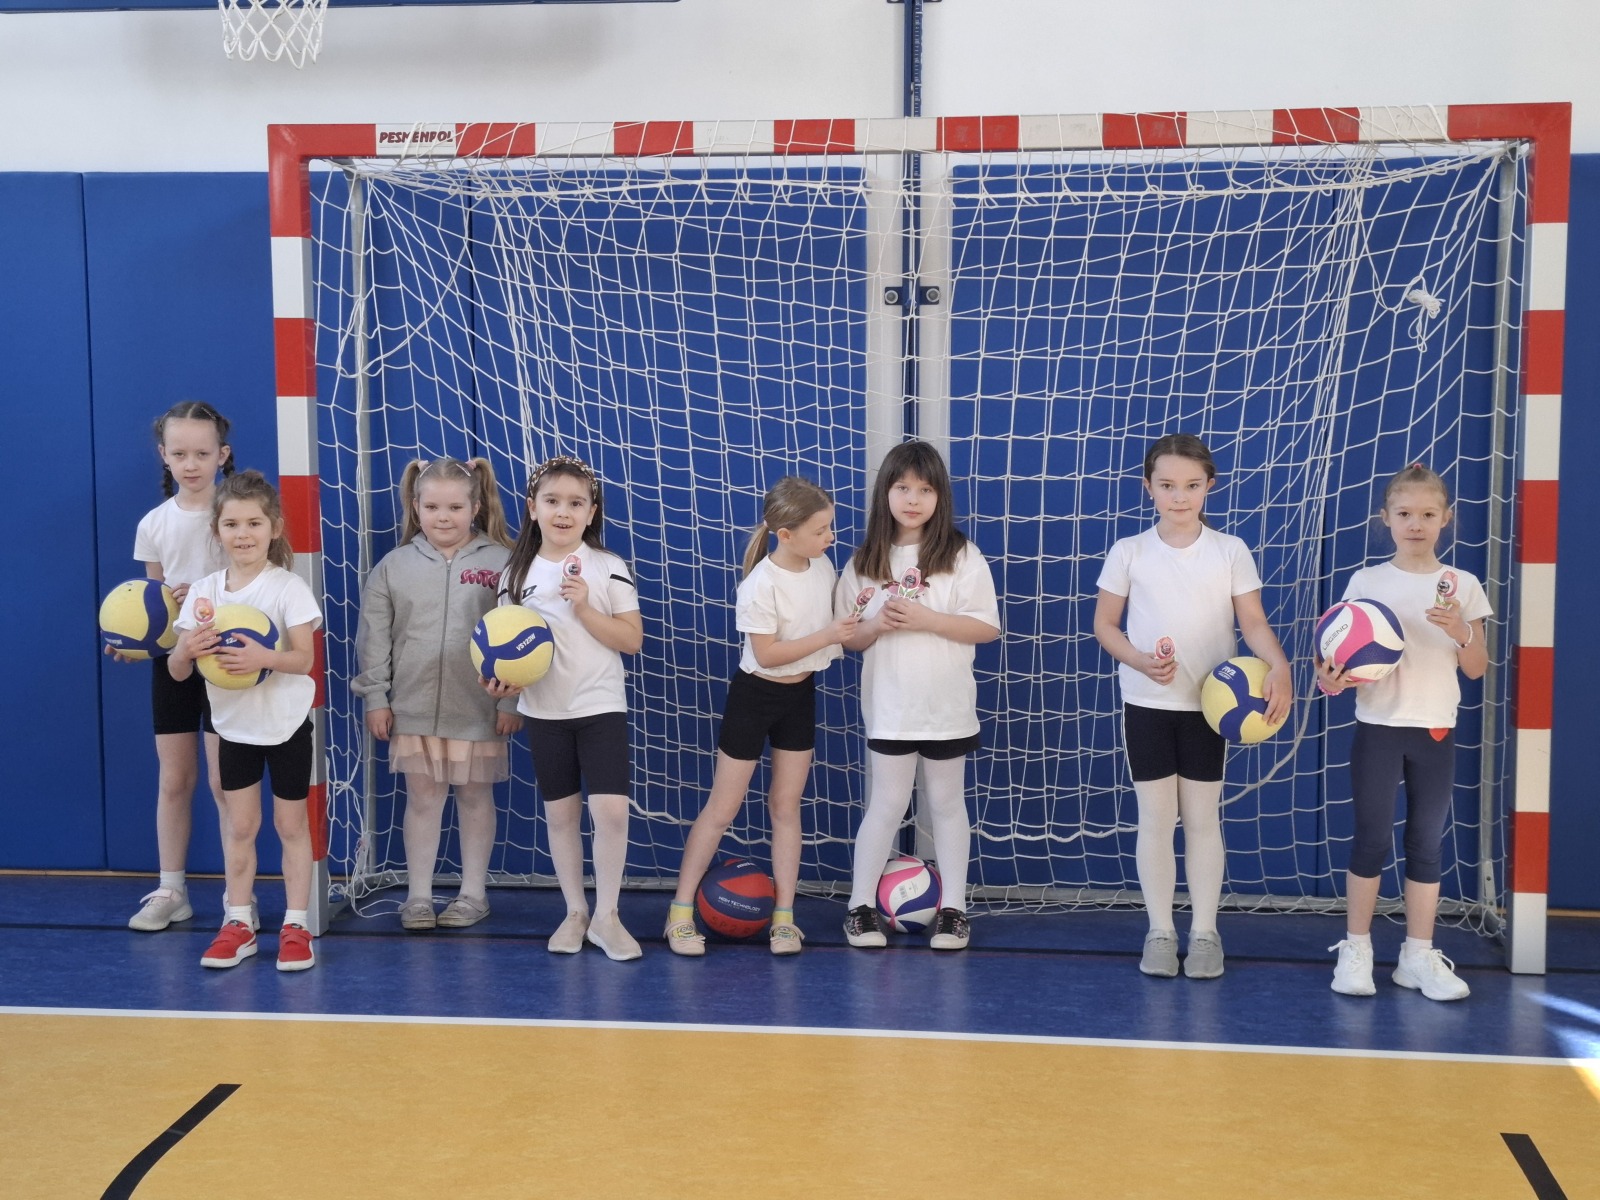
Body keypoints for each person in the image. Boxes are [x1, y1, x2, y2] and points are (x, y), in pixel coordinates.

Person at [1093, 434, 1291, 980]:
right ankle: (1160, 930)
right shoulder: (1129, 551)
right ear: (1148, 488)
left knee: (1203, 820)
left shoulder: (1230, 550)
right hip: (1147, 703)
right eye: (1167, 485)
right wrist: (1138, 660)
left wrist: (1279, 665)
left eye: (1191, 485)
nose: (1179, 496)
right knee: (1156, 819)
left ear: (1209, 487)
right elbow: (1105, 625)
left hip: (1211, 709)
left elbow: (1253, 622)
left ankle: (1205, 933)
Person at [664, 477, 858, 957]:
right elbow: (767, 655)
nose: (831, 536)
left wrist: (871, 614)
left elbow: (839, 629)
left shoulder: (823, 566)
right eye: (821, 530)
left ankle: (785, 919)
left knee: (786, 807)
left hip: (800, 696)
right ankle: (680, 913)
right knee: (722, 809)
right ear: (785, 534)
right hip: (754, 697)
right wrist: (830, 634)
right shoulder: (760, 585)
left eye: (830, 527)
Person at [1317, 463, 1489, 1002]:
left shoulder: (1462, 585)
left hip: (1434, 729)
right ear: (1386, 519)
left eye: (1428, 514)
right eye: (1405, 513)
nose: (1416, 524)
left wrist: (1461, 631)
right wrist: (1330, 680)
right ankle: (1357, 950)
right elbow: (1336, 664)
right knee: (1371, 839)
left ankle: (1417, 956)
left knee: (1425, 844)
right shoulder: (1366, 583)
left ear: (1446, 519)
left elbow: (1477, 669)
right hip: (1379, 728)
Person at [837, 441, 1000, 952]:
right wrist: (877, 624)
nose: (913, 499)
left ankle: (954, 910)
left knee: (947, 805)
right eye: (903, 487)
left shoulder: (961, 555)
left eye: (925, 489)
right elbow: (848, 638)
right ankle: (860, 907)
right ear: (885, 492)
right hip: (890, 708)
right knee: (885, 804)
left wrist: (929, 619)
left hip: (947, 709)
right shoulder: (863, 561)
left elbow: (986, 627)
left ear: (940, 496)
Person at [489, 455, 645, 961]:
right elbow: (503, 650)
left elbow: (631, 640)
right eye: (552, 501)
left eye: (576, 503)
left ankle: (608, 916)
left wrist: (583, 606)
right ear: (532, 508)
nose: (563, 512)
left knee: (611, 811)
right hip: (545, 712)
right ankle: (576, 911)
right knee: (561, 815)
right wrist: (501, 685)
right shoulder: (515, 574)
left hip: (600, 704)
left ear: (591, 512)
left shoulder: (608, 566)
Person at [355, 458, 520, 932]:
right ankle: (419, 896)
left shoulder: (502, 563)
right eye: (432, 507)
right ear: (415, 507)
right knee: (423, 800)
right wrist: (376, 698)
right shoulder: (394, 566)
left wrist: (510, 701)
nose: (443, 517)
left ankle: (473, 894)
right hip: (413, 708)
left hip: (478, 708)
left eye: (454, 507)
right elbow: (374, 639)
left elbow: (518, 635)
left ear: (475, 507)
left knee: (475, 799)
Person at [169, 471, 322, 971]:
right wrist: (184, 651)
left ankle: (296, 926)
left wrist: (263, 658)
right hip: (233, 728)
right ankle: (238, 923)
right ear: (217, 531)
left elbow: (304, 660)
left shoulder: (288, 588)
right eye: (232, 524)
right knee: (240, 826)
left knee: (290, 825)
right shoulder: (205, 593)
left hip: (286, 724)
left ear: (274, 528)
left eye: (254, 523)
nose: (243, 533)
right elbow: (177, 670)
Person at [120, 401, 235, 933]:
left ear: (222, 455)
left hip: (229, 661)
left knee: (224, 782)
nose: (191, 464)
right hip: (174, 662)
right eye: (180, 453)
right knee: (174, 779)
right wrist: (135, 639)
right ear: (163, 455)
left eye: (202, 453)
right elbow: (153, 607)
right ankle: (172, 890)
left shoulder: (234, 515)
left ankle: (238, 896)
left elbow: (256, 584)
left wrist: (207, 597)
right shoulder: (154, 524)